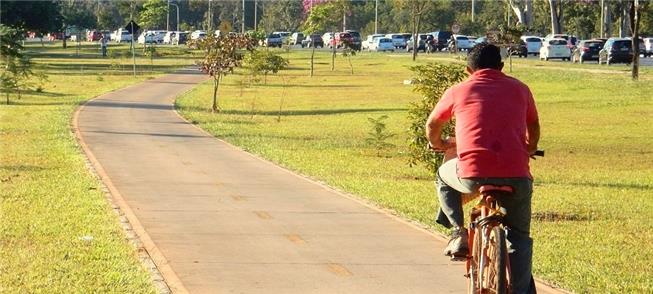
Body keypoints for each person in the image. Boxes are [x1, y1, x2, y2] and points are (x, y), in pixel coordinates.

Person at [425, 43, 540, 294]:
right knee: (519, 237)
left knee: (443, 178)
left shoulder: (458, 90)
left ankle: (458, 232)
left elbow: (433, 123)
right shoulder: (521, 89)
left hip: (471, 174)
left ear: (468, 70)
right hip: (517, 176)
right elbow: (534, 126)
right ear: (501, 67)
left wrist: (439, 143)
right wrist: (531, 149)